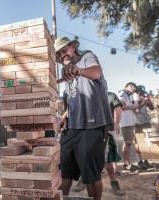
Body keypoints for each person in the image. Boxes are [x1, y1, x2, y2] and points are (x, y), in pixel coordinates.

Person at [55, 36, 113, 200]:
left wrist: (78, 70)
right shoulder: (65, 69)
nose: (62, 56)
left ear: (73, 46)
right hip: (71, 127)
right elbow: (73, 96)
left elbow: (96, 73)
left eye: (64, 51)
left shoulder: (87, 57)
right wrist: (65, 115)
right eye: (58, 55)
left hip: (92, 126)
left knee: (91, 176)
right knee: (64, 171)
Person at [119, 82, 139, 171]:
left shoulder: (129, 96)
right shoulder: (122, 93)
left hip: (130, 123)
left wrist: (135, 105)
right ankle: (126, 164)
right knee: (127, 143)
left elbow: (133, 108)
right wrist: (133, 106)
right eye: (133, 88)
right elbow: (121, 107)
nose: (134, 90)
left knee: (128, 143)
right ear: (129, 86)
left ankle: (127, 163)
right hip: (125, 123)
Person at [134, 85, 154, 169]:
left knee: (147, 141)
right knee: (138, 142)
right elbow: (134, 109)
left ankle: (146, 161)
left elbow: (152, 108)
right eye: (139, 92)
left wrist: (149, 103)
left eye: (142, 92)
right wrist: (141, 103)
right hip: (137, 122)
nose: (140, 93)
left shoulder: (145, 98)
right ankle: (139, 161)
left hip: (146, 121)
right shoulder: (133, 99)